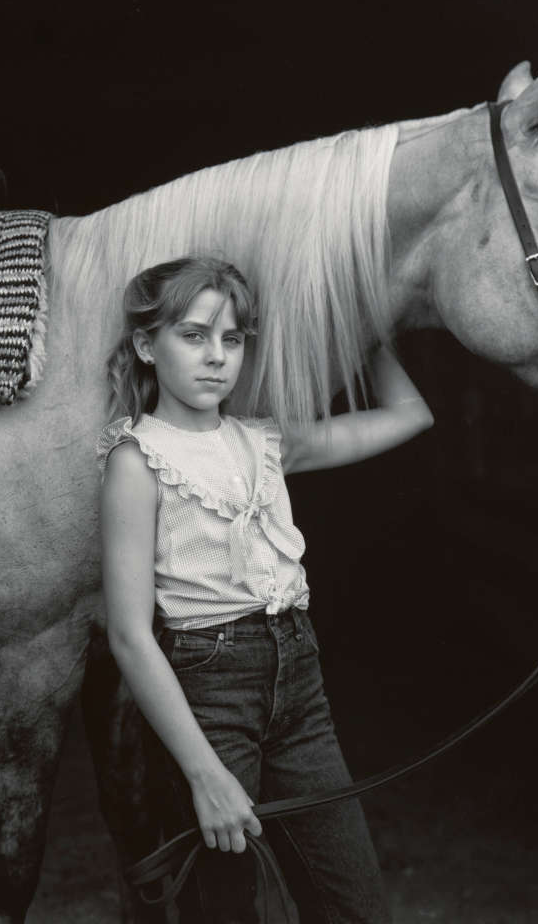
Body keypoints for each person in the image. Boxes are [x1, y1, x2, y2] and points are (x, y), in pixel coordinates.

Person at [97, 255, 433, 923]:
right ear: (145, 345)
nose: (216, 357)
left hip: (299, 688)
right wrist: (203, 774)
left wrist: (372, 335)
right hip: (207, 694)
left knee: (355, 905)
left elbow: (412, 415)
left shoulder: (269, 442)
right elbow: (130, 635)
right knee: (224, 908)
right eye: (193, 336)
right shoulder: (138, 460)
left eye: (232, 339)